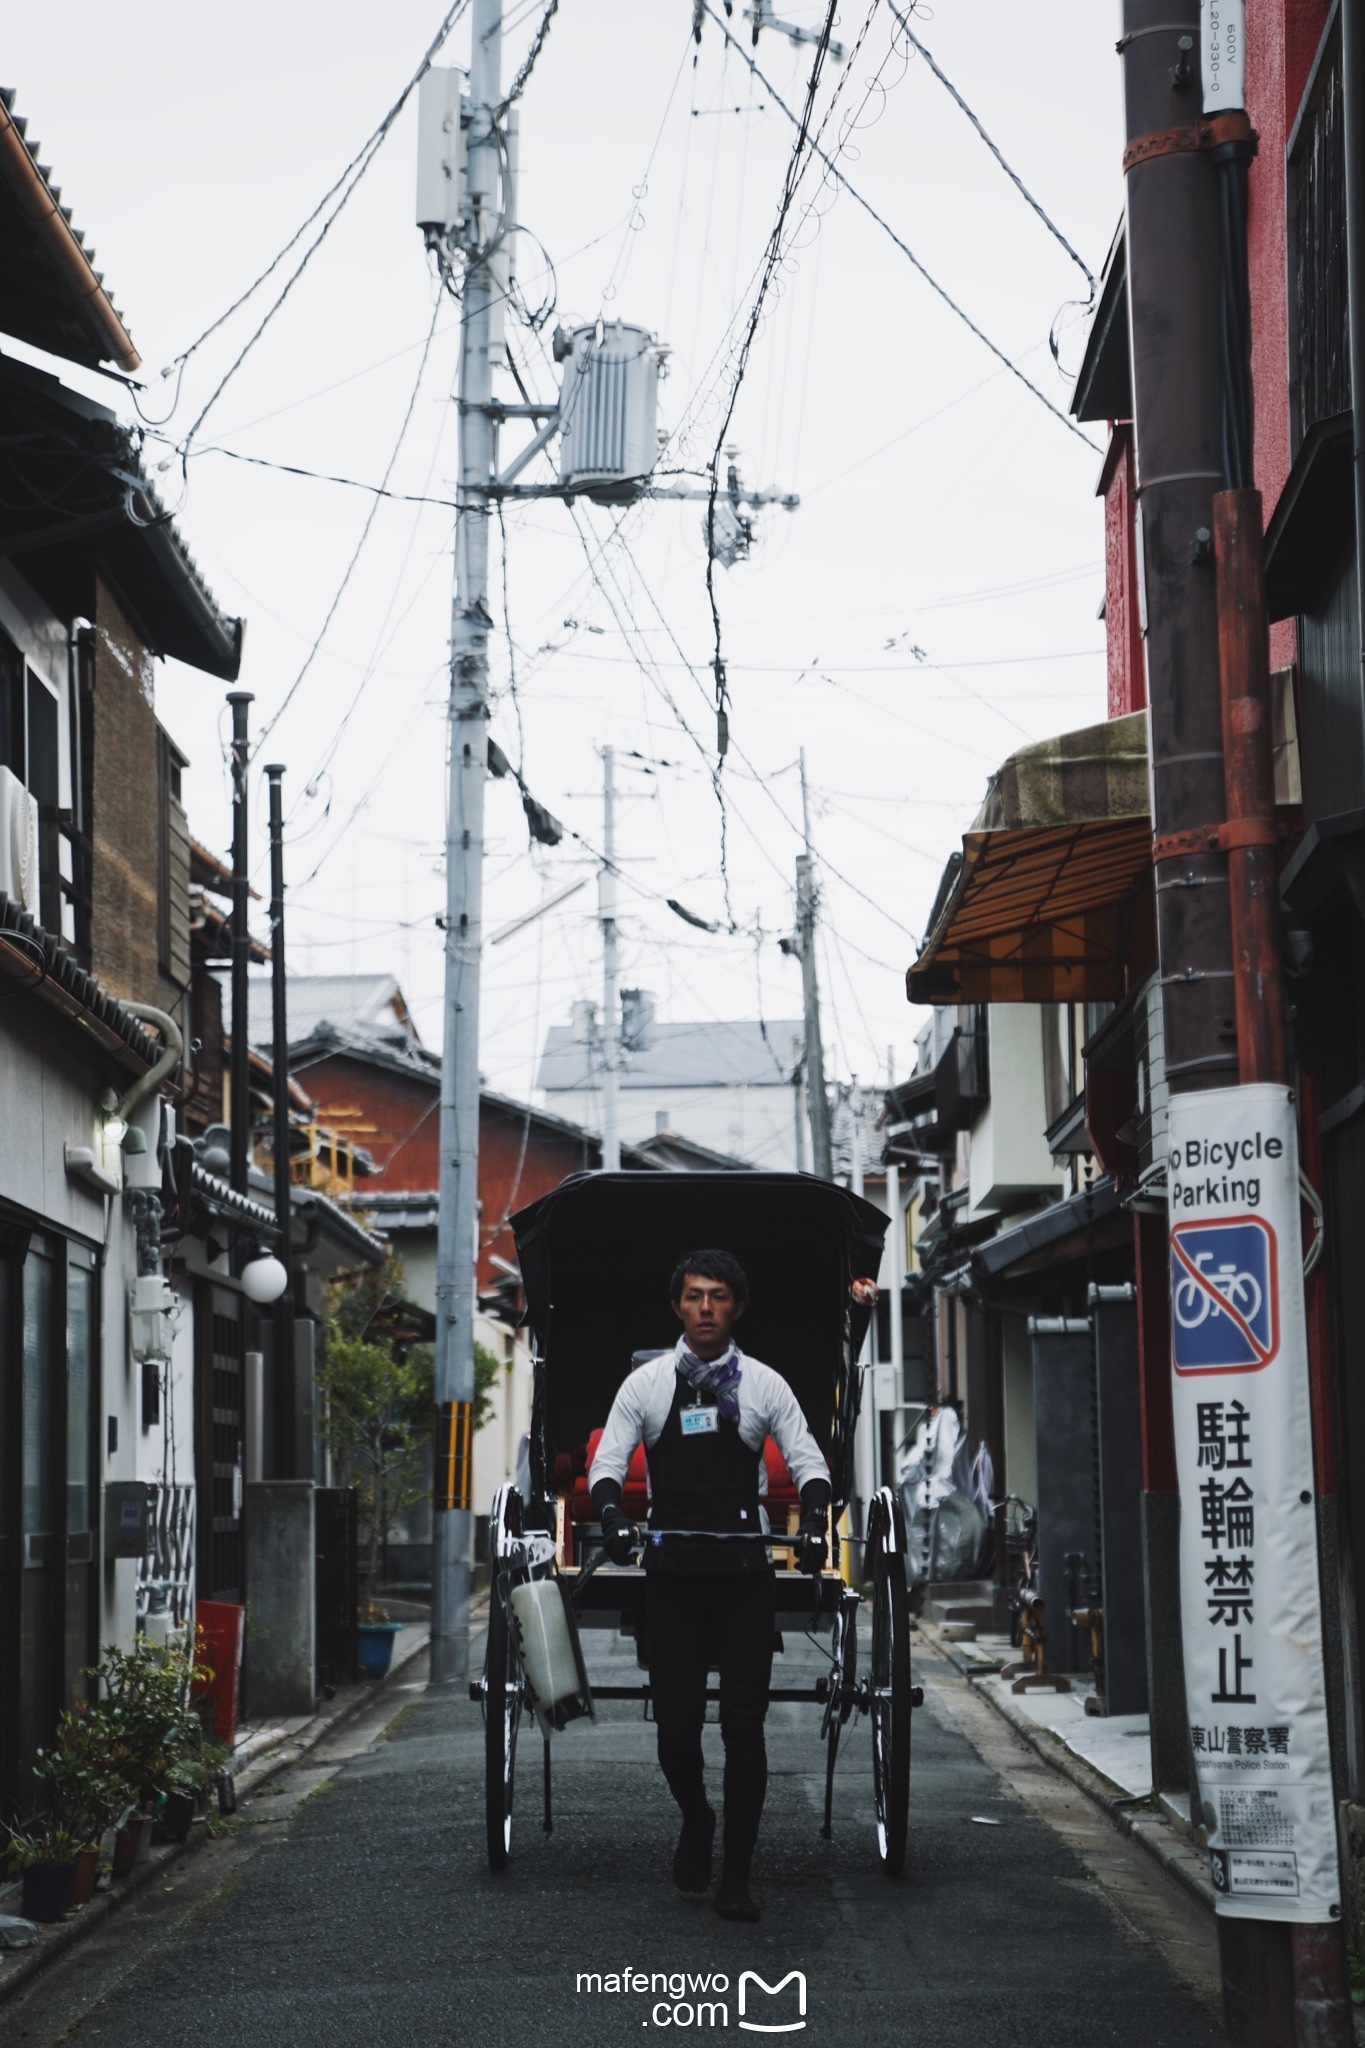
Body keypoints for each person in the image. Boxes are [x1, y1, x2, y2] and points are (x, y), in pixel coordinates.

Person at [588, 1249, 831, 1923]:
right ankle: (696, 1818)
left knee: (743, 1727)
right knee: (675, 1728)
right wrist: (610, 1513)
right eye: (693, 1296)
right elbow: (609, 1461)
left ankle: (736, 1877)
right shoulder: (646, 1384)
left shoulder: (764, 1384)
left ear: (737, 1307)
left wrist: (812, 1518)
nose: (704, 1308)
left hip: (745, 1573)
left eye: (717, 1296)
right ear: (676, 1307)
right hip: (670, 1573)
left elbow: (808, 1459)